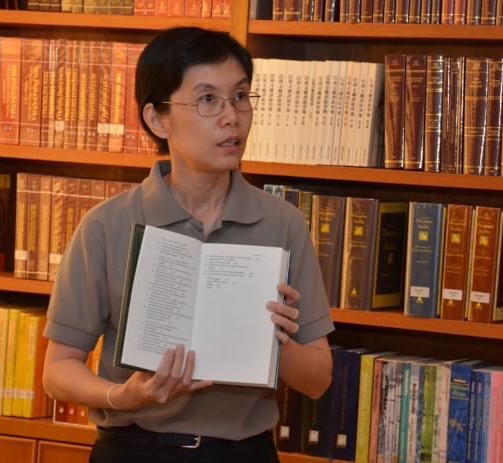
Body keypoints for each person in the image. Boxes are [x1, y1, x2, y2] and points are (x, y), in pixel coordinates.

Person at [43, 26, 334, 463]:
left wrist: (275, 336)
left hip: (242, 453)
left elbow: (318, 380)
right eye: (207, 100)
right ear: (158, 119)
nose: (231, 117)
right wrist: (125, 395)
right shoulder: (107, 225)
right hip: (132, 449)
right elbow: (58, 369)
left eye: (240, 96)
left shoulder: (283, 224)